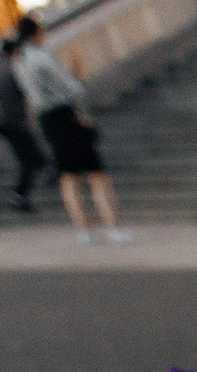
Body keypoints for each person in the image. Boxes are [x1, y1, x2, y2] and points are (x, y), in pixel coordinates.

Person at [11, 19, 127, 242]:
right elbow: (72, 88)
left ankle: (84, 229)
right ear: (36, 33)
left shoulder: (19, 61)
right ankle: (112, 226)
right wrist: (77, 66)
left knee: (69, 176)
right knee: (96, 173)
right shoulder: (42, 57)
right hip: (65, 116)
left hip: (47, 121)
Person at [0, 37, 49, 214]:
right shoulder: (11, 68)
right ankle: (19, 195)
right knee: (27, 157)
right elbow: (15, 98)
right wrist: (22, 120)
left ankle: (45, 167)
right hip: (9, 121)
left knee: (28, 151)